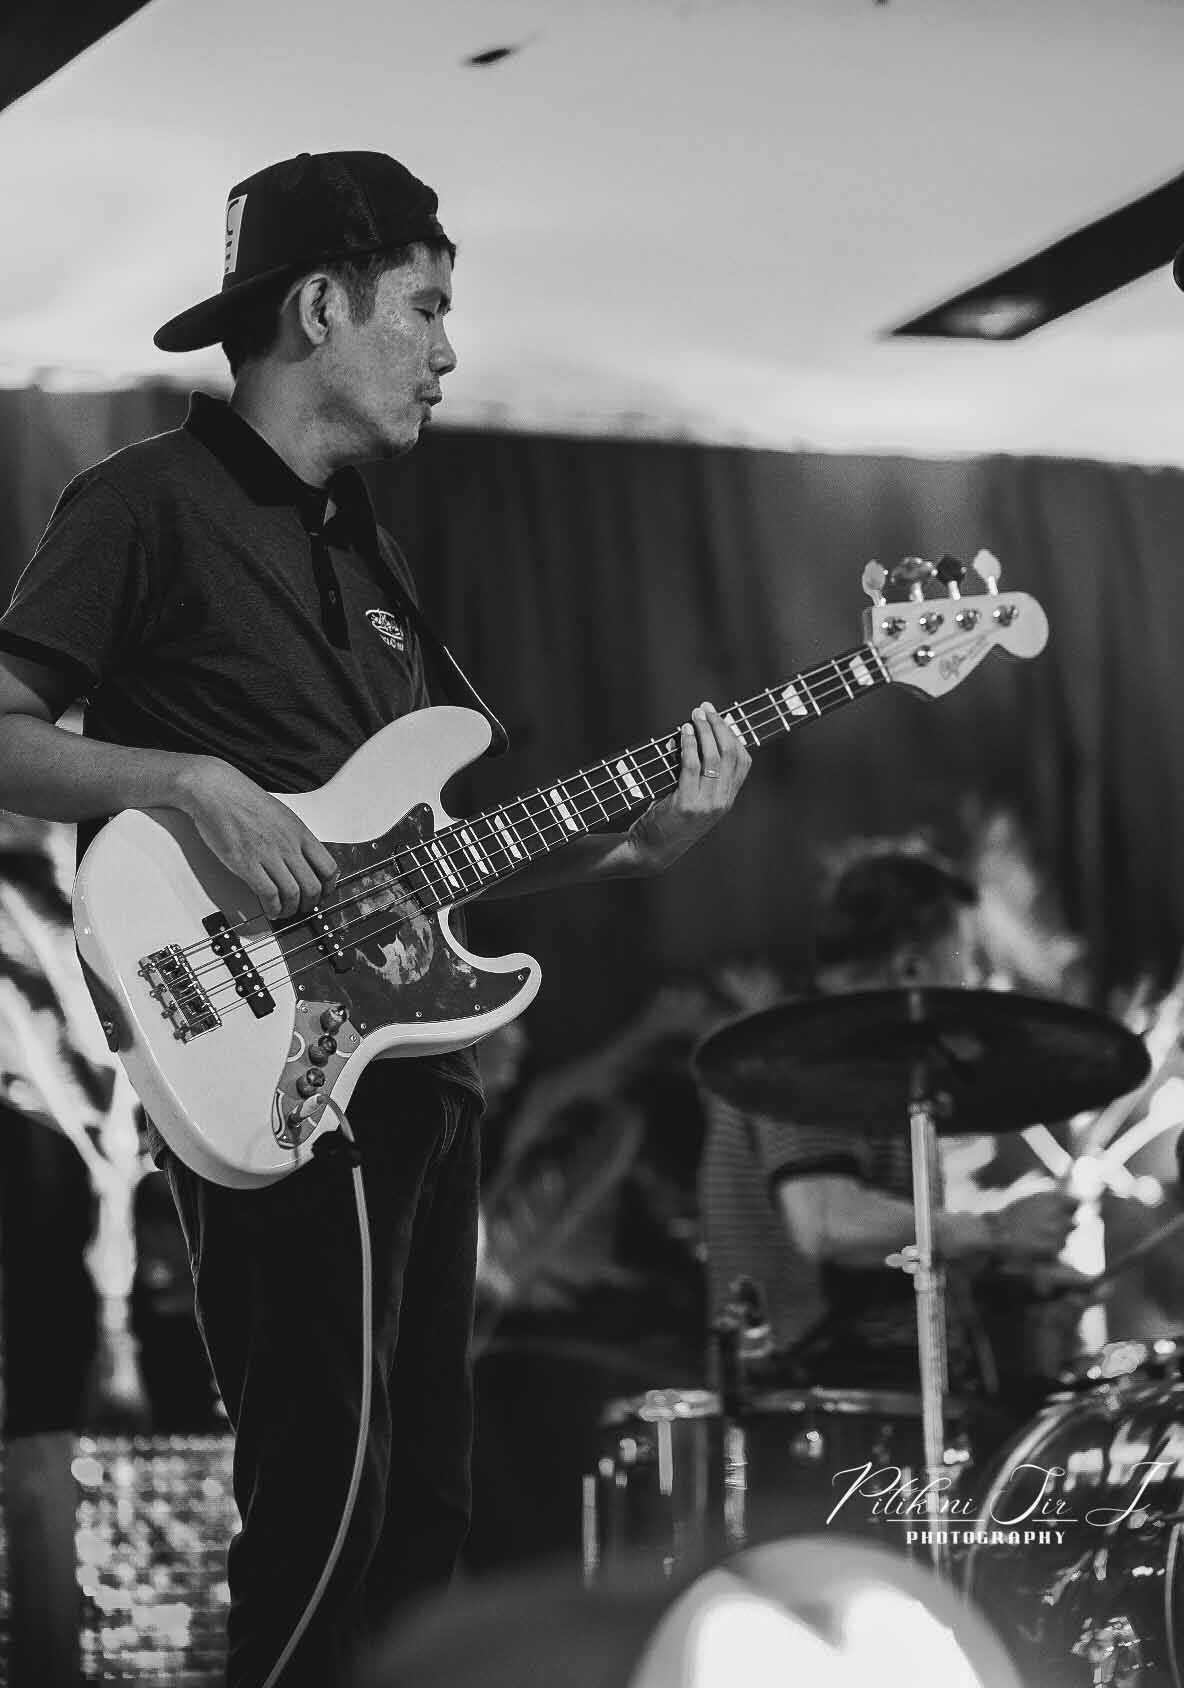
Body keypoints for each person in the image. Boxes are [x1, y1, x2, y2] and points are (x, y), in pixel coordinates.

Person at [0, 150, 751, 1687]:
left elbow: (432, 854)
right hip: (270, 1060)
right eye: (426, 308)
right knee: (325, 1500)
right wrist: (188, 780)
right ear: (320, 309)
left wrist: (636, 851)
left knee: (423, 1510)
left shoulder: (367, 548)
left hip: (415, 1066)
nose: (448, 352)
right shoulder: (142, 503)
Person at [699, 844, 1080, 1402]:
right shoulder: (808, 1053)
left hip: (871, 1391)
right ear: (911, 967)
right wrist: (993, 1231)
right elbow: (826, 1222)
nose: (978, 978)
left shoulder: (870, 1066)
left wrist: (1006, 1272)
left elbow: (892, 1251)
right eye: (968, 957)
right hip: (819, 1403)